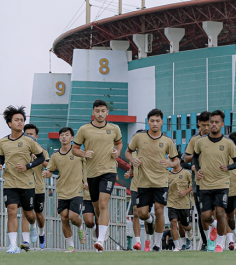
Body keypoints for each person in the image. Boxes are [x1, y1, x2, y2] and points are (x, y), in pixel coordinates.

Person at [72, 99, 123, 252]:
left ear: (107, 112)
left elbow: (119, 144)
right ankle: (100, 231)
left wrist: (117, 151)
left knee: (103, 204)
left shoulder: (114, 129)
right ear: (93, 113)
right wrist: (84, 153)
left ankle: (100, 240)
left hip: (109, 171)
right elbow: (75, 149)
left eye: (103, 111)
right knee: (96, 208)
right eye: (97, 111)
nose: (100, 114)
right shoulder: (84, 129)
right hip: (91, 173)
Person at [126, 109, 179, 252]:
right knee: (142, 213)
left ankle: (157, 244)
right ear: (148, 121)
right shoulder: (139, 138)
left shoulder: (167, 141)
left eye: (157, 121)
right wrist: (133, 160)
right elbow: (128, 152)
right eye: (152, 121)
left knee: (159, 209)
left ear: (162, 122)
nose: (155, 123)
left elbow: (176, 160)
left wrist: (170, 164)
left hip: (161, 182)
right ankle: (150, 220)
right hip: (143, 182)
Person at [0, 106, 46, 254]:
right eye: (16, 120)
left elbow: (42, 157)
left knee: (29, 214)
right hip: (10, 182)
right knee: (11, 211)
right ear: (9, 123)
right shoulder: (3, 142)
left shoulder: (29, 141)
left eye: (22, 120)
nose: (20, 122)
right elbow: (2, 156)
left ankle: (32, 227)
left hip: (27, 184)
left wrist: (27, 166)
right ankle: (13, 245)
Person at [193, 110, 236, 253]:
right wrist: (198, 169)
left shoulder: (228, 143)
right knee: (205, 216)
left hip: (222, 183)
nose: (213, 125)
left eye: (216, 122)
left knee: (220, 213)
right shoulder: (200, 142)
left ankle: (219, 244)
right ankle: (214, 226)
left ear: (222, 124)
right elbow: (195, 157)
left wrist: (228, 166)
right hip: (205, 184)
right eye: (211, 122)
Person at [42, 127, 87, 252]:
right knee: (64, 218)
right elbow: (50, 170)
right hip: (62, 190)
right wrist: (46, 174)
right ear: (59, 138)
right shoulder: (55, 156)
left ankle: (80, 226)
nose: (64, 137)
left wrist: (86, 181)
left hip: (77, 189)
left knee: (73, 217)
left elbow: (86, 167)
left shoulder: (78, 153)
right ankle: (70, 245)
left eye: (67, 135)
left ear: (72, 138)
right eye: (62, 135)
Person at [18, 124, 50, 250]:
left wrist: (39, 159)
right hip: (24, 186)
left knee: (39, 215)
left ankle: (41, 234)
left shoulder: (42, 150)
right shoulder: (20, 149)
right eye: (27, 134)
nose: (29, 136)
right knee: (26, 213)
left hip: (39, 187)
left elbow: (49, 165)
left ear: (36, 136)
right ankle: (26, 242)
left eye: (32, 134)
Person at [183, 111, 210, 251]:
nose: (206, 128)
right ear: (199, 123)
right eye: (203, 125)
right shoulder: (194, 140)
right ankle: (206, 241)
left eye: (208, 124)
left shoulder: (220, 139)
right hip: (198, 182)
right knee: (202, 213)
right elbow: (185, 158)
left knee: (217, 211)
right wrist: (196, 157)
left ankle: (220, 239)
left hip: (217, 181)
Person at [167, 162, 193, 251]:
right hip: (172, 202)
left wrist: (186, 192)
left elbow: (194, 184)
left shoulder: (186, 173)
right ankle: (177, 246)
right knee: (173, 222)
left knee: (184, 225)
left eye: (174, 159)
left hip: (184, 204)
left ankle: (189, 231)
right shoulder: (168, 174)